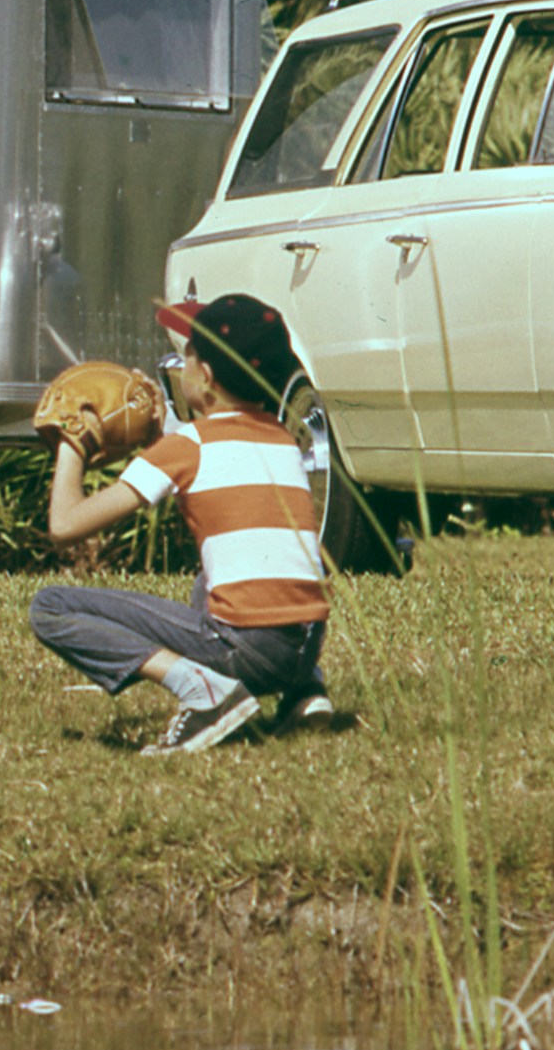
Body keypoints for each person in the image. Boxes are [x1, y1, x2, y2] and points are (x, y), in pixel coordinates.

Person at [34, 294, 346, 754]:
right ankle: (305, 692)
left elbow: (65, 524)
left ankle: (204, 693)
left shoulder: (187, 448)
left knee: (51, 607)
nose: (182, 365)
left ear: (206, 376)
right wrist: (161, 436)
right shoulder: (281, 438)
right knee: (212, 575)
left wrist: (72, 443)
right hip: (302, 649)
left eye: (188, 355)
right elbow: (210, 469)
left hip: (247, 651)